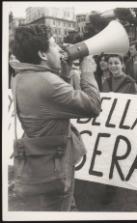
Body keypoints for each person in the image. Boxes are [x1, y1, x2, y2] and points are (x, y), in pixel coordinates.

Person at [10, 24, 101, 211]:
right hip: (55, 168)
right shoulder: (47, 82)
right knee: (61, 208)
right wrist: (88, 72)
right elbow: (92, 106)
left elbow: (53, 106)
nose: (60, 49)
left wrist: (65, 75)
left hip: (42, 162)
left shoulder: (20, 76)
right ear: (42, 55)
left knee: (65, 206)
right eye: (53, 45)